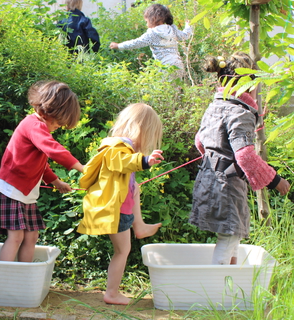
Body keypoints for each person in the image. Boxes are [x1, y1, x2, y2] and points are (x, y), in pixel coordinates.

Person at [189, 52, 291, 265]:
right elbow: (244, 154)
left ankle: (230, 286)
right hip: (227, 184)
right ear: (248, 85)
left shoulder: (215, 105)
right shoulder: (240, 113)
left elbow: (200, 141)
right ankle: (217, 293)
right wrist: (275, 181)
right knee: (229, 236)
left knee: (232, 233)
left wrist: (215, 160)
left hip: (208, 177)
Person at [0, 80, 84, 263]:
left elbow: (40, 164)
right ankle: (3, 277)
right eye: (59, 123)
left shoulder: (39, 127)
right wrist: (82, 168)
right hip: (11, 191)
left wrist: (56, 182)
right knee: (15, 237)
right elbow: (53, 149)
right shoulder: (34, 125)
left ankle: (24, 275)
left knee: (31, 237)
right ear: (50, 111)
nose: (59, 127)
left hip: (25, 194)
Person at [78, 103, 164, 305]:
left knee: (138, 188)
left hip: (122, 209)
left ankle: (140, 225)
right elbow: (123, 162)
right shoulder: (119, 147)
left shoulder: (121, 146)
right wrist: (145, 161)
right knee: (122, 251)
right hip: (117, 211)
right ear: (142, 131)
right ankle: (112, 293)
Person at [109, 4, 191, 70]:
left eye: (146, 21)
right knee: (176, 89)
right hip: (178, 64)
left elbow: (136, 43)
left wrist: (119, 46)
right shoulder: (172, 29)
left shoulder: (152, 33)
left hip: (165, 67)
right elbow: (185, 35)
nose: (146, 24)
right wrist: (188, 26)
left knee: (164, 89)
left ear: (153, 18)